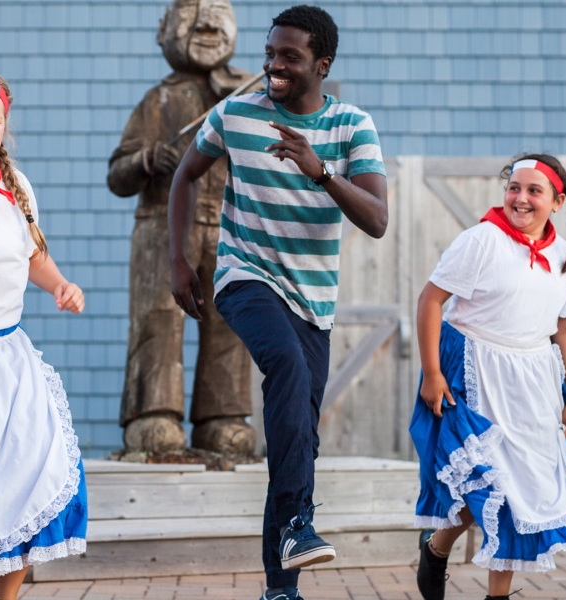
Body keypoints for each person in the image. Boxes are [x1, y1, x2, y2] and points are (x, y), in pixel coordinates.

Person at [167, 5, 387, 600]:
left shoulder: (351, 127)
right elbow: (185, 176)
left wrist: (321, 173)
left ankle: (279, 589)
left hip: (312, 298)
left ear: (322, 64)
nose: (273, 65)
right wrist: (179, 259)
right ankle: (297, 522)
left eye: (289, 57)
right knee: (284, 366)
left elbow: (377, 219)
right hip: (245, 275)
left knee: (297, 440)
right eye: (271, 53)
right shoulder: (236, 114)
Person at [410, 154, 566, 600]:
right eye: (514, 188)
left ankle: (492, 590)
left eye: (534, 191)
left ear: (557, 202)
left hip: (535, 378)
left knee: (521, 492)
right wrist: (431, 373)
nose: (521, 198)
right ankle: (438, 547)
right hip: (476, 370)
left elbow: (565, 328)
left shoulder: (564, 255)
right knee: (485, 483)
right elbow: (429, 301)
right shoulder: (482, 240)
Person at [0, 66, 87, 600]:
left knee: (38, 480)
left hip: (10, 361)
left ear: (3, 127)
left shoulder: (16, 185)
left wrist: (59, 284)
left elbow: (31, 253)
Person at [108, 0, 257, 456]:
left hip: (228, 227)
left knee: (231, 323)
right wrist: (148, 158)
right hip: (163, 231)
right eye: (194, 12)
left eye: (219, 11)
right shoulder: (160, 99)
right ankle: (153, 413)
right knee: (159, 320)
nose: (209, 21)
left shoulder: (243, 97)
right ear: (164, 30)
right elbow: (118, 175)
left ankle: (223, 416)